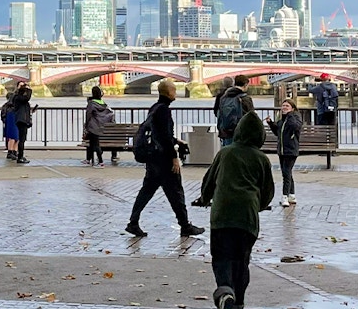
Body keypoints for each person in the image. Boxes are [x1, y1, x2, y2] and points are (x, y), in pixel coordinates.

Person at [192, 110, 274, 309]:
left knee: (221, 260)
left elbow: (208, 182)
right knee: (241, 263)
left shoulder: (225, 153)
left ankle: (225, 296)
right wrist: (258, 204)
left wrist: (205, 198)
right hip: (247, 219)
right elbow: (268, 192)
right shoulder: (262, 159)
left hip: (222, 217)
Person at [125, 80, 205, 239]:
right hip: (163, 159)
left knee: (147, 191)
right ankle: (185, 226)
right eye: (174, 90)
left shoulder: (155, 108)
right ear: (168, 93)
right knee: (176, 192)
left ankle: (133, 222)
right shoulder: (164, 111)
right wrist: (174, 157)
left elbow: (159, 134)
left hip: (153, 159)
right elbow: (164, 137)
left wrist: (176, 141)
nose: (175, 92)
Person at [266, 99, 302, 207]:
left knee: (286, 174)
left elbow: (295, 127)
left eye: (287, 106)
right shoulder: (282, 120)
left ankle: (284, 196)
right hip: (282, 151)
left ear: (292, 108)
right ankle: (292, 195)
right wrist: (271, 123)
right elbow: (278, 132)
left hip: (291, 150)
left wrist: (289, 115)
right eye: (283, 106)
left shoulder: (295, 118)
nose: (284, 108)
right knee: (287, 173)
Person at [215, 75, 255, 147]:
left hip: (226, 133)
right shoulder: (245, 98)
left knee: (227, 155)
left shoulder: (224, 97)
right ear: (245, 85)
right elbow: (251, 117)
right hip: (241, 134)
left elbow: (218, 113)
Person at [84, 85, 115, 167]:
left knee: (95, 144)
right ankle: (88, 160)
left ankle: (101, 162)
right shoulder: (103, 104)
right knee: (91, 143)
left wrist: (86, 126)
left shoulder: (91, 104)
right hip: (102, 127)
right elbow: (110, 114)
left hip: (93, 126)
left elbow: (88, 115)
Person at [11, 82, 36, 164]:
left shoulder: (19, 98)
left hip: (22, 119)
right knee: (22, 139)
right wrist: (29, 90)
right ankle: (20, 157)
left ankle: (20, 155)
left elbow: (24, 107)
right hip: (22, 120)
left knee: (22, 139)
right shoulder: (19, 98)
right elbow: (27, 98)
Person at [1, 91, 19, 159]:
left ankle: (12, 151)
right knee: (14, 137)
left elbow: (3, 115)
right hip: (13, 122)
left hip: (9, 123)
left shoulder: (5, 106)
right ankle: (13, 151)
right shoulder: (13, 107)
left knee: (14, 138)